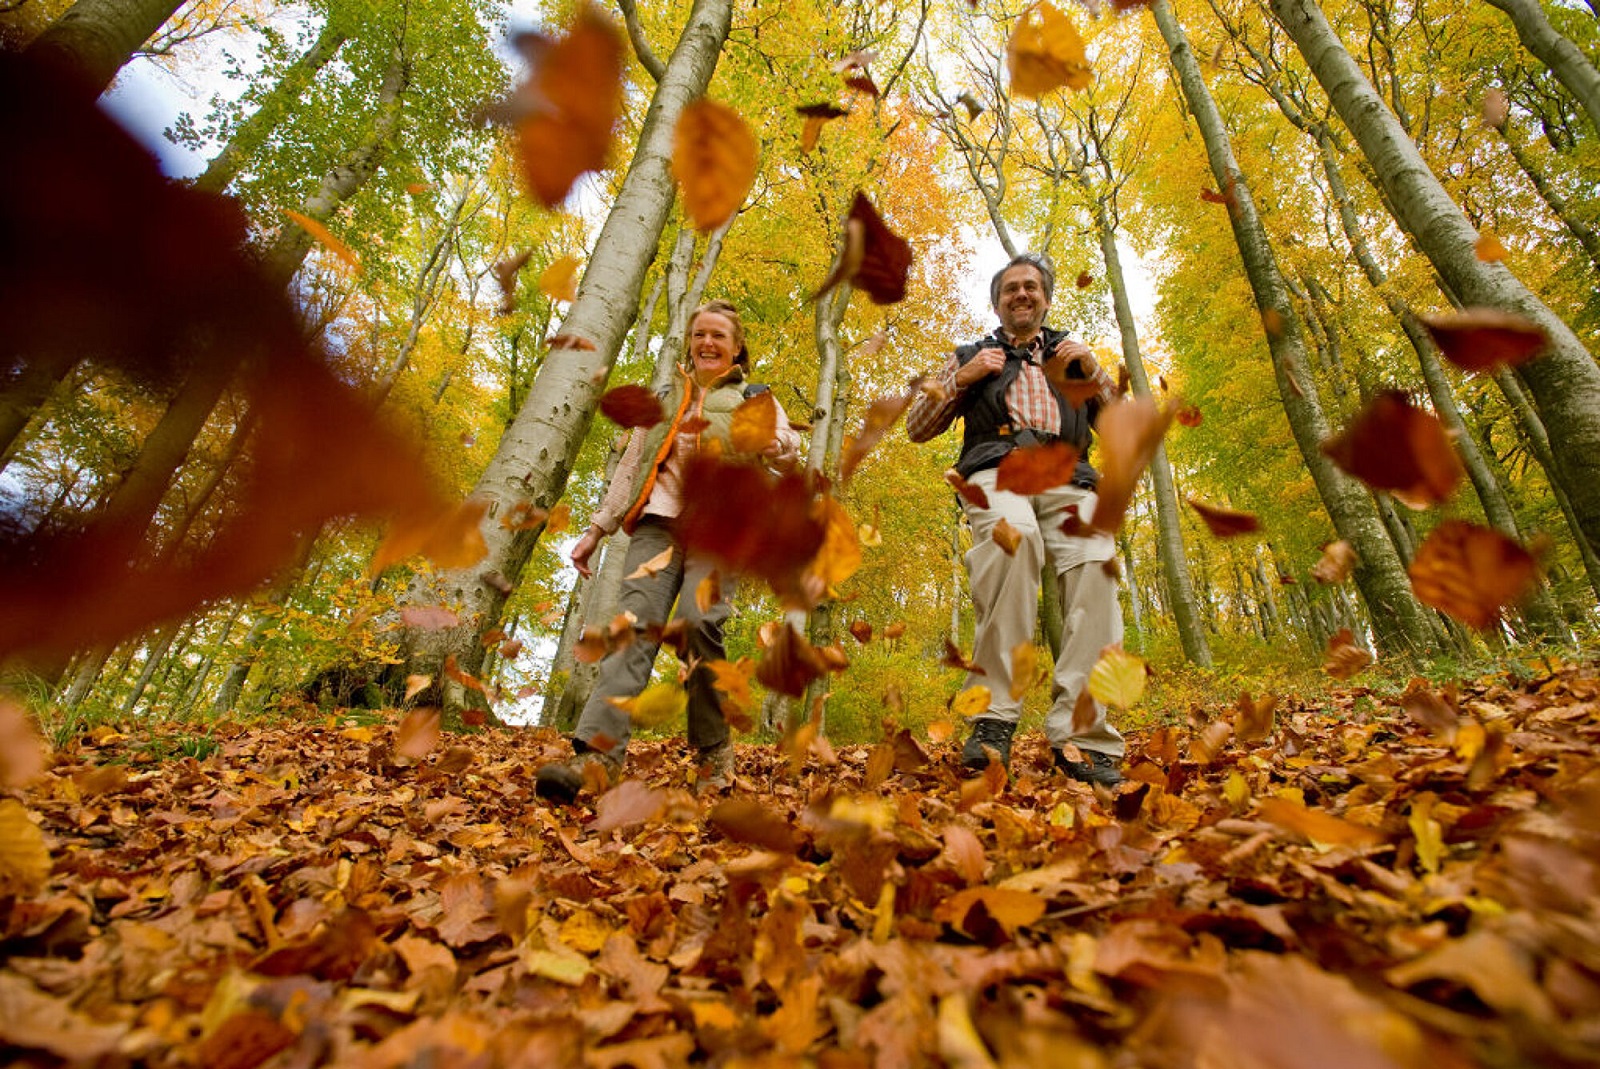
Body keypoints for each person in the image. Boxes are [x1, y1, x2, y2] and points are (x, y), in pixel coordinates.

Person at [535, 300, 801, 803]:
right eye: (700, 334)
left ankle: (712, 749)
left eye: (719, 335)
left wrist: (775, 446)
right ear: (690, 342)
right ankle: (596, 757)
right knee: (632, 629)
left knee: (701, 624)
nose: (707, 343)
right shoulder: (663, 399)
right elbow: (632, 468)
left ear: (736, 347)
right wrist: (596, 529)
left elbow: (787, 450)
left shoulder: (754, 396)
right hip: (658, 525)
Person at [906, 252, 1125, 787]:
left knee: (1097, 563)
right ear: (997, 302)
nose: (1021, 294)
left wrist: (1095, 374)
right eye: (1010, 289)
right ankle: (994, 717)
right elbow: (916, 425)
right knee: (1015, 539)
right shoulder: (970, 354)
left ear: (1046, 299)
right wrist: (961, 378)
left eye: (1031, 287)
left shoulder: (1075, 358)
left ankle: (1083, 730)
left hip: (1068, 474)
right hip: (996, 470)